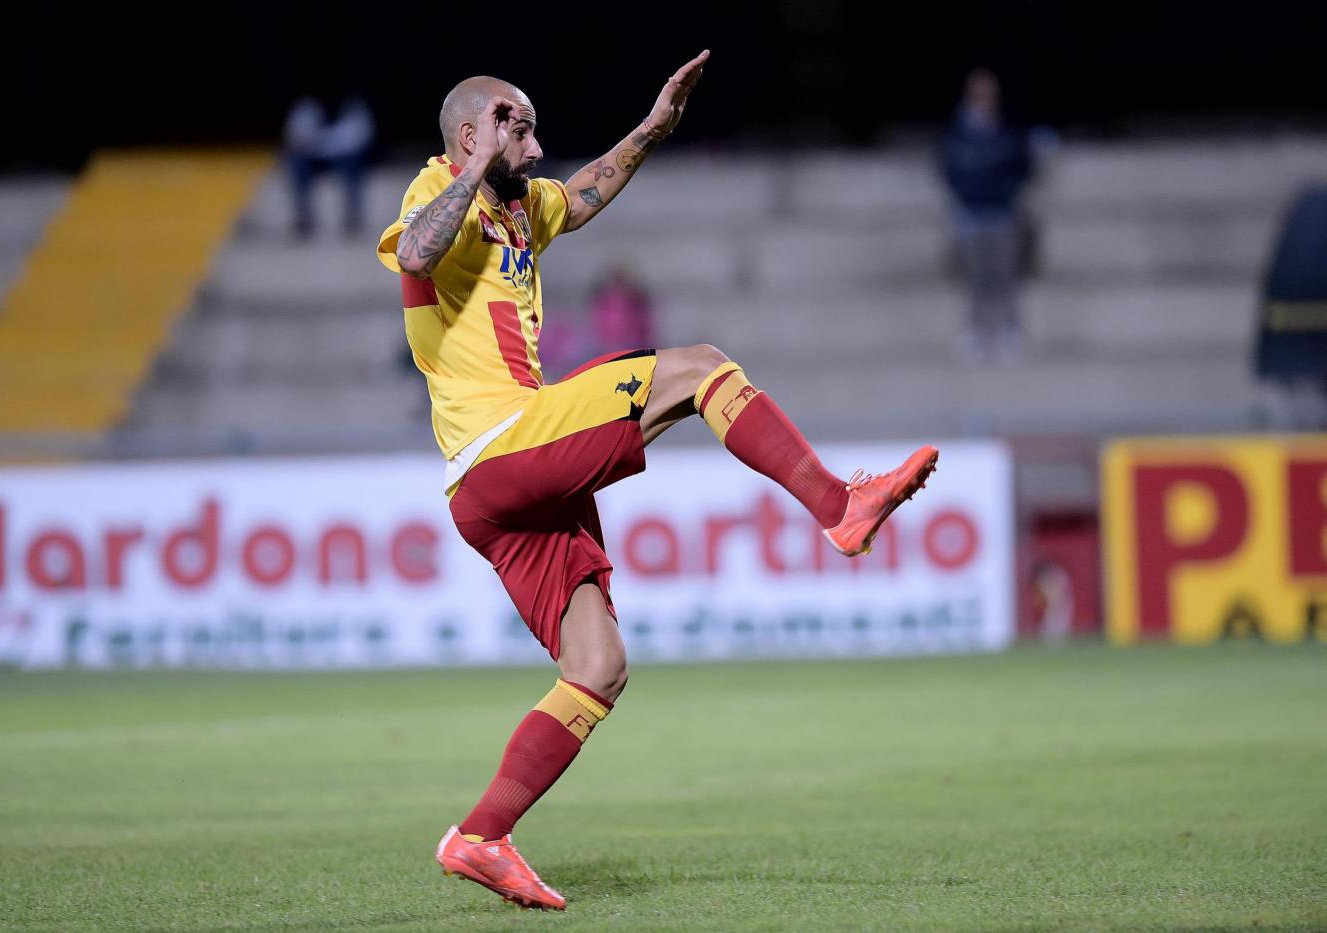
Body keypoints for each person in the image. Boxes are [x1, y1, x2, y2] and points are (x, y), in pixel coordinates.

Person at [375, 51, 938, 911]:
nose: (535, 148)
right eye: (518, 130)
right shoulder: (435, 189)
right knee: (700, 367)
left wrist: (652, 129)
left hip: (497, 485)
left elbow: (583, 193)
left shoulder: (519, 210)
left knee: (598, 666)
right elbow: (415, 253)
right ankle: (840, 505)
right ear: (470, 133)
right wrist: (476, 166)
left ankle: (481, 835)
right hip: (499, 445)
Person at [940, 68, 1034, 362]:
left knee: (1005, 275)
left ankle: (1009, 329)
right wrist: (964, 196)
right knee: (974, 277)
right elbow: (948, 168)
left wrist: (1007, 190)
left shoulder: (1006, 129)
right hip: (970, 213)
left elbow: (1023, 165)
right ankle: (976, 331)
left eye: (989, 93)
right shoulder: (957, 133)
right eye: (979, 93)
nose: (985, 99)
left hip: (1001, 212)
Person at [284, 95, 374, 238]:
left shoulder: (353, 107)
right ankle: (304, 218)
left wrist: (326, 142)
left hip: (344, 156)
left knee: (354, 163)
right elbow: (297, 136)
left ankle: (352, 217)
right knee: (297, 162)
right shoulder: (306, 106)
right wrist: (319, 144)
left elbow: (360, 138)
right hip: (314, 156)